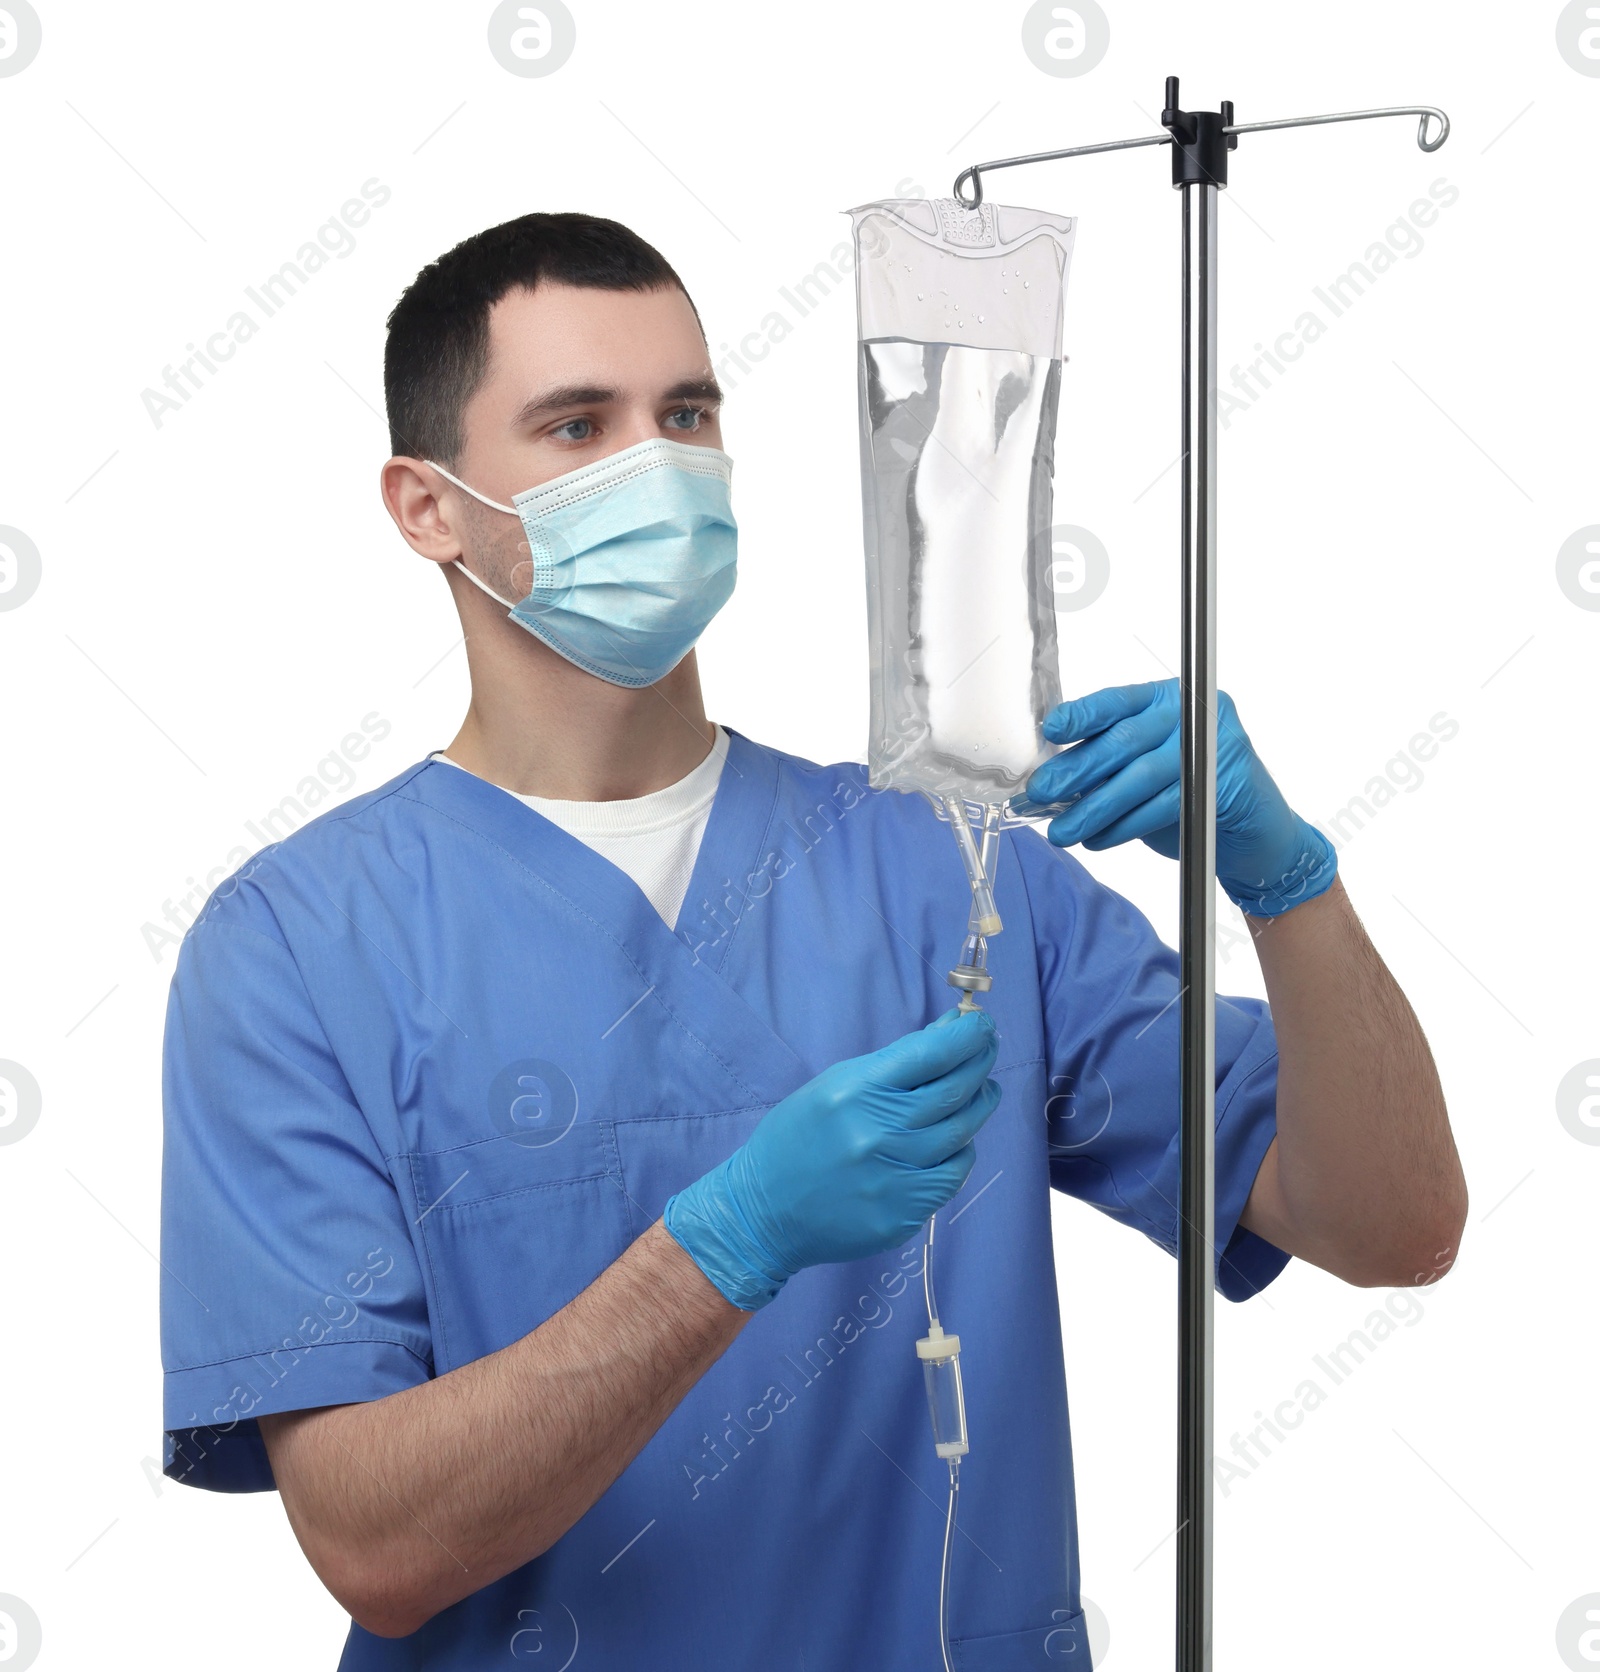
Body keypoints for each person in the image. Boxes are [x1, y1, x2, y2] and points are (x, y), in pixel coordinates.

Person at [159, 211, 1467, 1670]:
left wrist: (1287, 882)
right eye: (578, 426)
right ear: (429, 506)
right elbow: (372, 1546)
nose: (656, 468)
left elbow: (1392, 1225)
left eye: (689, 414)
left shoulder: (951, 866)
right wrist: (727, 1243)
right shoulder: (297, 946)